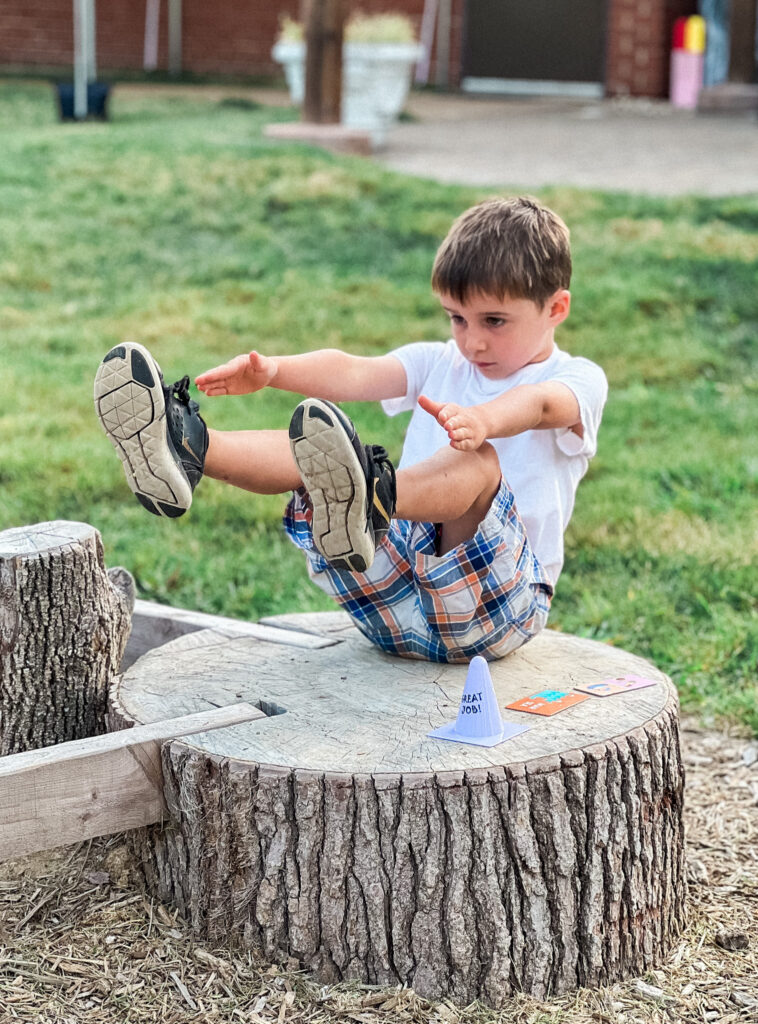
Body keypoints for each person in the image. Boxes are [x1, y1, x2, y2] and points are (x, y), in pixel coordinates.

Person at [94, 196, 607, 663]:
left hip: (494, 608)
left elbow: (541, 406)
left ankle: (371, 495)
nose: (471, 341)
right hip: (390, 596)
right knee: (320, 449)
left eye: (493, 321)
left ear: (556, 308)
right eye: (456, 318)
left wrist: (485, 420)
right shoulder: (439, 363)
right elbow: (355, 371)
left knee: (476, 462)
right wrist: (274, 370)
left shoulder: (577, 379)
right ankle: (186, 447)